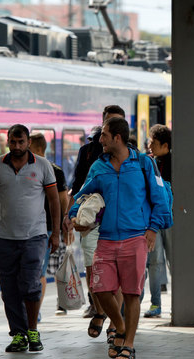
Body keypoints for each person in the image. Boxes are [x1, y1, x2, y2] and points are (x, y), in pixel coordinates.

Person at [65, 117, 172, 359]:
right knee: (100, 288)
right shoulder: (99, 167)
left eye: (103, 135)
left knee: (132, 294)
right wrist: (75, 217)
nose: (99, 139)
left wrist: (154, 228)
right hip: (106, 238)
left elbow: (160, 197)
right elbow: (82, 196)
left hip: (136, 238)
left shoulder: (144, 164)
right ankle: (120, 326)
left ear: (117, 138)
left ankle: (129, 344)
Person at [0, 124, 61, 353]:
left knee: (30, 285)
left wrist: (56, 233)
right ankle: (18, 334)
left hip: (35, 236)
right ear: (7, 141)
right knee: (9, 289)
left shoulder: (42, 166)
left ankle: (32, 331)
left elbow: (54, 201)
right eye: (13, 142)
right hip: (4, 237)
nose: (17, 146)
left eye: (21, 142)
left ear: (29, 142)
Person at [69, 106, 125, 342]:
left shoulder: (137, 160)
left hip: (122, 225)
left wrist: (152, 227)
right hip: (92, 224)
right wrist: (71, 216)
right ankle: (101, 311)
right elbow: (81, 187)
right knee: (96, 276)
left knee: (120, 280)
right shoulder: (92, 156)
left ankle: (114, 323)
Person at [29, 132, 71, 317]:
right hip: (38, 228)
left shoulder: (52, 170)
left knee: (39, 271)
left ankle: (35, 311)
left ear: (36, 148)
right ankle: (33, 310)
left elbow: (62, 200)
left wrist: (62, 227)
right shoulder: (52, 169)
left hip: (45, 228)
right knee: (38, 271)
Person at [144, 124, 173, 318]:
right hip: (153, 220)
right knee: (154, 262)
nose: (149, 146)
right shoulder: (148, 163)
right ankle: (156, 303)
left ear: (165, 144)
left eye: (153, 142)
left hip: (170, 219)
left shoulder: (174, 163)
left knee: (173, 260)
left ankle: (178, 304)